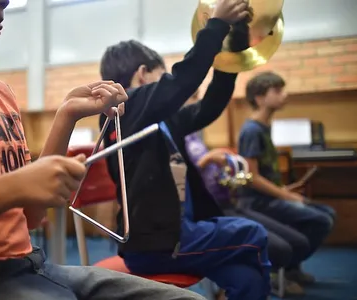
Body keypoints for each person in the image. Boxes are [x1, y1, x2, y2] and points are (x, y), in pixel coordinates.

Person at [0, 1, 207, 300]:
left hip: (31, 266)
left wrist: (67, 115)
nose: (5, 1)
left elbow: (31, 217)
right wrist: (10, 187)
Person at [99, 1, 272, 299]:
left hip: (182, 234)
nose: (166, 85)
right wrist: (216, 25)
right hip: (158, 243)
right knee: (254, 233)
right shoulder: (123, 109)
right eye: (160, 75)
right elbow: (182, 80)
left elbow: (210, 106)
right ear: (143, 74)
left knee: (246, 277)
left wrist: (232, 51)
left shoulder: (158, 119)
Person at [236, 71, 336, 285]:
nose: (285, 95)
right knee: (321, 220)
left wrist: (286, 190)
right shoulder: (251, 130)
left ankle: (290, 267)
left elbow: (265, 173)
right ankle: (281, 268)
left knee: (327, 212)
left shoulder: (265, 126)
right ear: (260, 98)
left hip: (270, 197)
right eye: (278, 91)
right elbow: (251, 177)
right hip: (257, 202)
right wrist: (286, 196)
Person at [185, 134, 309, 295]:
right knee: (276, 249)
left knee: (294, 243)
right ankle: (268, 278)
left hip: (230, 204)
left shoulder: (195, 136)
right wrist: (208, 159)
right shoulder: (172, 132)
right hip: (208, 212)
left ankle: (272, 276)